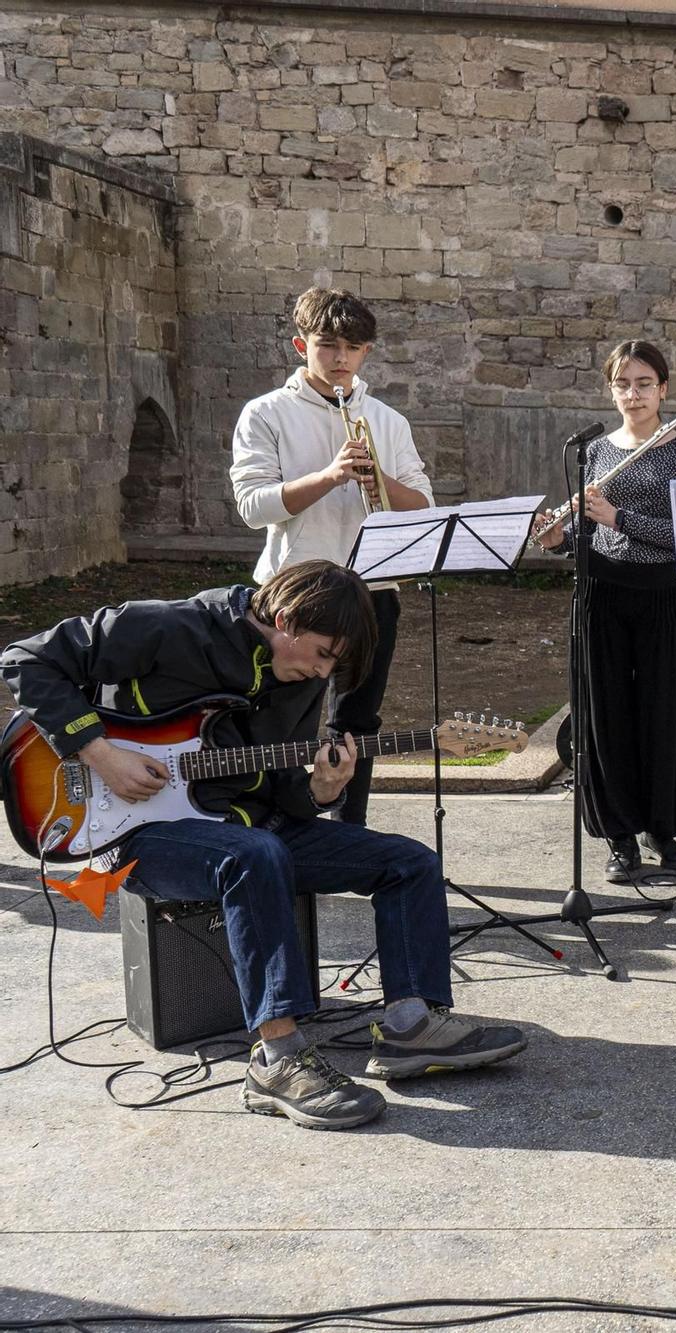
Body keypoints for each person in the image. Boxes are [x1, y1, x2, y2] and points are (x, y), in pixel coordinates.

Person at [0, 561, 526, 1130]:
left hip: (245, 829)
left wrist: (320, 790)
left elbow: (280, 792)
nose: (324, 670)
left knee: (407, 861)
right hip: (134, 834)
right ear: (285, 618)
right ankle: (277, 1060)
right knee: (254, 855)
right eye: (323, 653)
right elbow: (24, 658)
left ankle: (409, 1024)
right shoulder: (172, 628)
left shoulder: (302, 680)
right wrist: (101, 754)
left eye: (334, 663)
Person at [229, 287, 435, 829]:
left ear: (367, 352)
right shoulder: (265, 413)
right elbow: (252, 507)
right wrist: (329, 475)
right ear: (302, 345)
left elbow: (425, 503)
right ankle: (276, 825)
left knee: (357, 718)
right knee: (282, 717)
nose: (340, 358)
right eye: (328, 345)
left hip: (374, 589)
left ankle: (349, 827)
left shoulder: (387, 420)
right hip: (293, 593)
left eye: (354, 347)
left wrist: (377, 478)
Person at [535, 340, 676, 883]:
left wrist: (617, 517)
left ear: (663, 388)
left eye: (644, 383)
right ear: (611, 389)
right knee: (604, 718)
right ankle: (620, 837)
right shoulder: (594, 452)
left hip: (662, 594)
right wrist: (559, 536)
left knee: (664, 715)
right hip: (602, 596)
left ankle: (663, 829)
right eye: (623, 384)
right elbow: (585, 531)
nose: (633, 394)